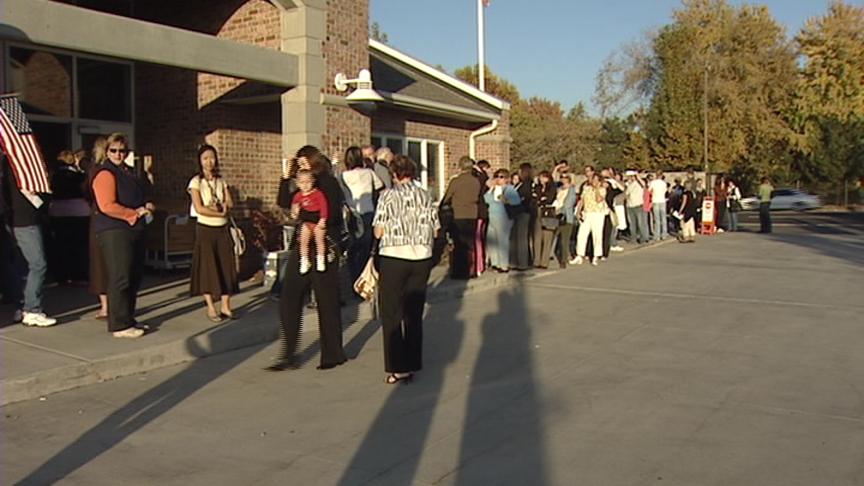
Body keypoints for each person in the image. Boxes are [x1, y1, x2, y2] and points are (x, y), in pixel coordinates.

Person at [269, 145, 347, 371]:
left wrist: (301, 214)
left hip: (324, 246)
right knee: (289, 296)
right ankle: (288, 354)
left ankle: (333, 354)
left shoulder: (328, 183)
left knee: (327, 300)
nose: (301, 167)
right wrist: (285, 177)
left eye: (304, 162)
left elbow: (330, 214)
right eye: (299, 163)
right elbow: (284, 202)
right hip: (303, 247)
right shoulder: (301, 184)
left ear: (314, 161)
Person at [373, 154, 440, 384]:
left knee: (391, 312)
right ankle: (412, 363)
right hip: (421, 256)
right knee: (413, 313)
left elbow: (378, 231)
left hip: (394, 256)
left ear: (393, 174)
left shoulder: (388, 196)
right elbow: (436, 228)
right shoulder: (425, 195)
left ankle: (397, 366)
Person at [91, 133, 154, 338]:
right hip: (114, 230)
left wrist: (146, 206)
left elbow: (141, 195)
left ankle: (128, 318)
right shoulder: (105, 173)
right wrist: (134, 213)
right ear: (107, 151)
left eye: (122, 151)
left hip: (133, 228)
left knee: (133, 276)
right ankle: (118, 324)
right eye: (114, 150)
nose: (119, 154)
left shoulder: (127, 172)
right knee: (121, 276)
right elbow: (107, 205)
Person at [188, 144, 238, 323]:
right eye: (205, 158)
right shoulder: (196, 182)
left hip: (222, 229)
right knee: (208, 268)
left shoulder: (220, 180)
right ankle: (210, 306)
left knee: (226, 266)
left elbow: (229, 202)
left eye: (212, 157)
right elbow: (199, 208)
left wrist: (224, 208)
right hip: (206, 229)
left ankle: (226, 305)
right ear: (200, 161)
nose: (209, 162)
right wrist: (218, 212)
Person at [340, 146, 384, 282]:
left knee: (353, 250)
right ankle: (367, 280)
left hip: (352, 215)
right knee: (366, 249)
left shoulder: (342, 176)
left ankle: (355, 280)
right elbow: (380, 187)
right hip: (369, 212)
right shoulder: (369, 173)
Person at [49, 148, 90, 285]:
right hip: (78, 212)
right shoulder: (78, 176)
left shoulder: (53, 175)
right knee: (78, 246)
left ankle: (61, 275)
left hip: (58, 212)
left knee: (61, 245)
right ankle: (78, 275)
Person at [441, 156, 481, 279]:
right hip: (472, 213)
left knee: (459, 244)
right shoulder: (476, 181)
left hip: (459, 214)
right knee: (470, 244)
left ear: (460, 167)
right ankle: (472, 270)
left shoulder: (456, 181)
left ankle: (459, 271)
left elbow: (447, 197)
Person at [86, 137, 109, 319]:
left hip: (103, 219)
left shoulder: (96, 171)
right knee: (103, 263)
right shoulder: (98, 172)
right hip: (102, 218)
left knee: (102, 263)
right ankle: (107, 306)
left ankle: (106, 306)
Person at [291, 169, 329, 275]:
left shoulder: (318, 194)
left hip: (317, 220)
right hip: (307, 221)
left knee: (319, 240)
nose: (305, 185)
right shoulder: (298, 196)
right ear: (298, 184)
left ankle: (320, 259)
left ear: (313, 181)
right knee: (304, 241)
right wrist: (294, 213)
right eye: (302, 183)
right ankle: (304, 260)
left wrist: (323, 219)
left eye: (308, 182)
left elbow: (324, 207)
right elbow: (294, 207)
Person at [484, 168, 520, 273]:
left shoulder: (509, 189)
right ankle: (495, 263)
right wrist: (491, 189)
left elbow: (516, 202)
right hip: (492, 217)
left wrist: (505, 200)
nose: (498, 179)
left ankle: (504, 264)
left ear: (506, 179)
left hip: (503, 217)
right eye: (497, 177)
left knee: (502, 241)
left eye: (501, 177)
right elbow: (485, 199)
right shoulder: (494, 190)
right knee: (492, 241)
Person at [573, 174, 607, 266]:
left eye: (596, 180)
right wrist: (578, 211)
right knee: (581, 234)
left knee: (597, 235)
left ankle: (596, 255)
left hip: (597, 214)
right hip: (587, 213)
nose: (594, 182)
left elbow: (599, 199)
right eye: (593, 180)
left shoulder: (602, 190)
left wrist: (596, 189)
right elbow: (582, 200)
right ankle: (580, 255)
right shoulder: (586, 189)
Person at [510, 163, 534, 271]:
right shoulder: (519, 184)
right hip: (515, 213)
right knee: (514, 238)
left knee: (521, 238)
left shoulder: (527, 184)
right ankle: (514, 261)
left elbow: (525, 198)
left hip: (523, 212)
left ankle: (523, 263)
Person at [532, 170, 557, 269]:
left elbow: (549, 198)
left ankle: (544, 261)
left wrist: (542, 198)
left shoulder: (552, 187)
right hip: (538, 211)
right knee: (537, 236)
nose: (541, 179)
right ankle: (536, 260)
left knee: (547, 236)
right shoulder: (537, 187)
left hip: (548, 211)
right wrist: (540, 198)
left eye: (543, 177)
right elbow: (535, 198)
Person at [473, 159, 492, 277]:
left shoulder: (478, 179)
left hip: (478, 212)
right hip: (482, 212)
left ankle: (479, 265)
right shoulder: (482, 178)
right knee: (479, 239)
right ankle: (480, 264)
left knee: (477, 239)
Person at [554, 173, 577, 268]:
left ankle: (563, 259)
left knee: (564, 240)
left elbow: (569, 204)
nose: (563, 180)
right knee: (555, 238)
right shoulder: (559, 189)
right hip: (556, 215)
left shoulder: (571, 191)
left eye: (565, 178)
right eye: (561, 178)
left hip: (566, 217)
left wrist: (560, 210)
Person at [625, 170, 649, 244]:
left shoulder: (639, 183)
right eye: (629, 177)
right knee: (632, 224)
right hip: (630, 206)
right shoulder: (628, 184)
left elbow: (643, 184)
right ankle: (633, 238)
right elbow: (626, 193)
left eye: (631, 176)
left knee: (641, 223)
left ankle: (643, 238)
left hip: (638, 205)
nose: (630, 178)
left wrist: (637, 175)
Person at [649, 171, 668, 241]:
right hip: (662, 201)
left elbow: (649, 190)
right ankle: (664, 234)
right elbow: (665, 191)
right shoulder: (664, 183)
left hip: (655, 201)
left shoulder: (653, 183)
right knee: (663, 219)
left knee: (657, 219)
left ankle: (657, 235)